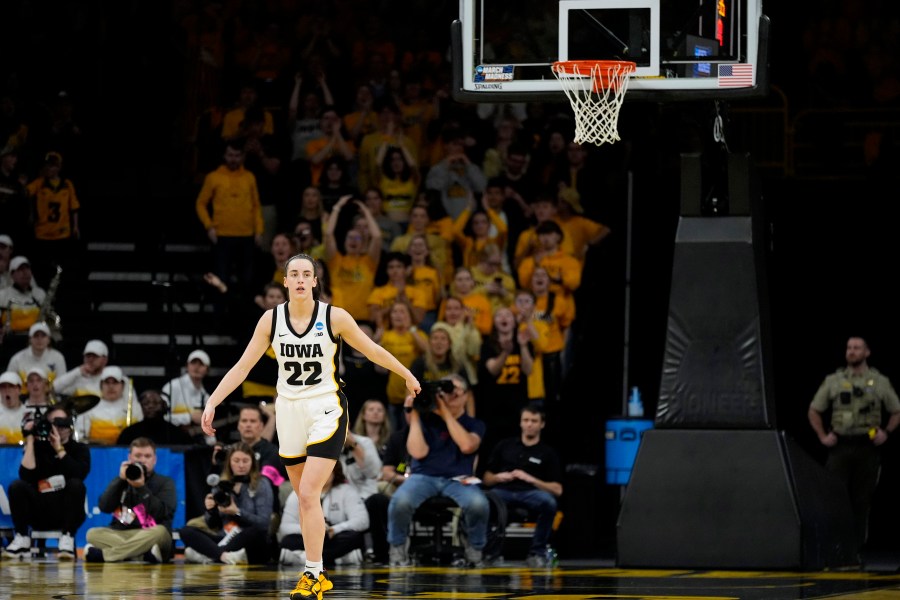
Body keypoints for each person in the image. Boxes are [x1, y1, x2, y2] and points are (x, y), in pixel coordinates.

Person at [200, 253, 420, 600]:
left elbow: (373, 350)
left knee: (306, 493)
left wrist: (405, 373)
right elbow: (243, 366)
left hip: (326, 407)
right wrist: (213, 400)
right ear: (285, 282)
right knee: (305, 501)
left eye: (307, 274)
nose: (301, 279)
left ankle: (313, 573)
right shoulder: (271, 320)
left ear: (315, 281)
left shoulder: (334, 316)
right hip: (288, 410)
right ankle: (318, 572)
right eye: (294, 274)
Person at [387, 373, 489, 567]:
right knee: (400, 501)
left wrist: (445, 412)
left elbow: (467, 445)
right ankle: (398, 549)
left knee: (478, 503)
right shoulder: (425, 420)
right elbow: (418, 452)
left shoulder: (475, 424)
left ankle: (475, 549)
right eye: (446, 390)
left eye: (456, 390)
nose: (450, 395)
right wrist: (415, 413)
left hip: (459, 479)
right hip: (424, 476)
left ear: (466, 396)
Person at [808, 336, 900, 550]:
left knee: (862, 500)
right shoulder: (834, 380)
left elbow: (896, 411)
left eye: (857, 348)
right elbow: (814, 410)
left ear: (867, 352)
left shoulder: (879, 382)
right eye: (849, 347)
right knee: (834, 497)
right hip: (840, 447)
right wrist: (823, 436)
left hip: (867, 447)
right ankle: (834, 547)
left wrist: (886, 432)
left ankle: (856, 549)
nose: (851, 351)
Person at [2, 404, 90, 560]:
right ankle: (22, 536)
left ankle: (67, 537)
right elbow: (25, 475)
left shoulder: (79, 448)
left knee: (76, 485)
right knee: (17, 486)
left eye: (62, 422)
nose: (58, 427)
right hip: (39, 508)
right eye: (53, 423)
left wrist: (59, 448)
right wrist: (30, 440)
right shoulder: (40, 447)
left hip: (65, 510)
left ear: (70, 425)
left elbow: (79, 474)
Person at [482, 404, 563, 567]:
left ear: (542, 424)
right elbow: (486, 479)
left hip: (531, 492)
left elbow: (558, 490)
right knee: (481, 501)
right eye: (526, 420)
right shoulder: (505, 446)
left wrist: (531, 479)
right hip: (503, 490)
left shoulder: (548, 453)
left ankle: (537, 552)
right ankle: (488, 552)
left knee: (549, 503)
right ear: (520, 423)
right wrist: (499, 477)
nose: (529, 424)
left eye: (534, 420)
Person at [195, 137, 265, 307]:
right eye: (230, 155)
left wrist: (259, 230)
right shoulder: (214, 177)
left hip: (246, 236)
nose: (233, 159)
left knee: (247, 280)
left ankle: (245, 318)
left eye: (237, 155)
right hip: (222, 236)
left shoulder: (249, 177)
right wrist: (209, 226)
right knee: (221, 279)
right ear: (224, 156)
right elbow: (201, 203)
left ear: (243, 157)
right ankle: (220, 319)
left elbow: (256, 206)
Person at [83, 437, 177, 563]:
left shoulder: (165, 482)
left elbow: (161, 513)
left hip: (151, 533)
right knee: (92, 533)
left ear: (154, 460)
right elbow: (104, 506)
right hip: (123, 533)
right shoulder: (122, 480)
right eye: (138, 455)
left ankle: (105, 555)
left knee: (160, 531)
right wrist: (120, 481)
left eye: (147, 456)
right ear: (129, 458)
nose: (142, 460)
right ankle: (143, 555)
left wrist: (141, 488)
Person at [179, 442, 274, 565]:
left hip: (250, 539)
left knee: (255, 531)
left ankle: (209, 555)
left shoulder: (261, 484)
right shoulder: (222, 484)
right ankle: (223, 556)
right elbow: (213, 525)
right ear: (229, 462)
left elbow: (263, 524)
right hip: (226, 538)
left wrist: (237, 512)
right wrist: (211, 510)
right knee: (186, 531)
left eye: (245, 461)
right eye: (236, 461)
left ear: (252, 463)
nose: (241, 465)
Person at [278, 460, 369, 567]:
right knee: (287, 541)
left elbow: (362, 521)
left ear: (335, 471)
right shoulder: (298, 493)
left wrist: (335, 529)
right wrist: (311, 529)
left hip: (334, 536)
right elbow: (284, 527)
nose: (322, 474)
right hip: (310, 538)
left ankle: (304, 559)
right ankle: (339, 560)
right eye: (317, 470)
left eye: (327, 469)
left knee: (355, 537)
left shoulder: (347, 491)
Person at [76, 365, 143, 445]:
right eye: (107, 382)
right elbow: (80, 438)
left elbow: (141, 436)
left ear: (123, 385)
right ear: (101, 385)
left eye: (115, 382)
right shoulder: (88, 407)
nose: (111, 387)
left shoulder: (135, 408)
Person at [161, 349, 211, 439]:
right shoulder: (172, 387)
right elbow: (162, 417)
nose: (196, 367)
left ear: (207, 370)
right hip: (169, 437)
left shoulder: (206, 397)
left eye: (201, 364)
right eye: (193, 363)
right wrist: (189, 417)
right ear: (187, 366)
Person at [117, 389, 195, 446]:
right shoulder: (129, 433)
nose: (150, 406)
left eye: (155, 403)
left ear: (164, 406)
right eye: (146, 403)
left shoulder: (176, 433)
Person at [0, 370, 26, 443]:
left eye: (11, 386)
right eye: (3, 387)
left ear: (19, 390)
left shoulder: (28, 413)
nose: (7, 390)